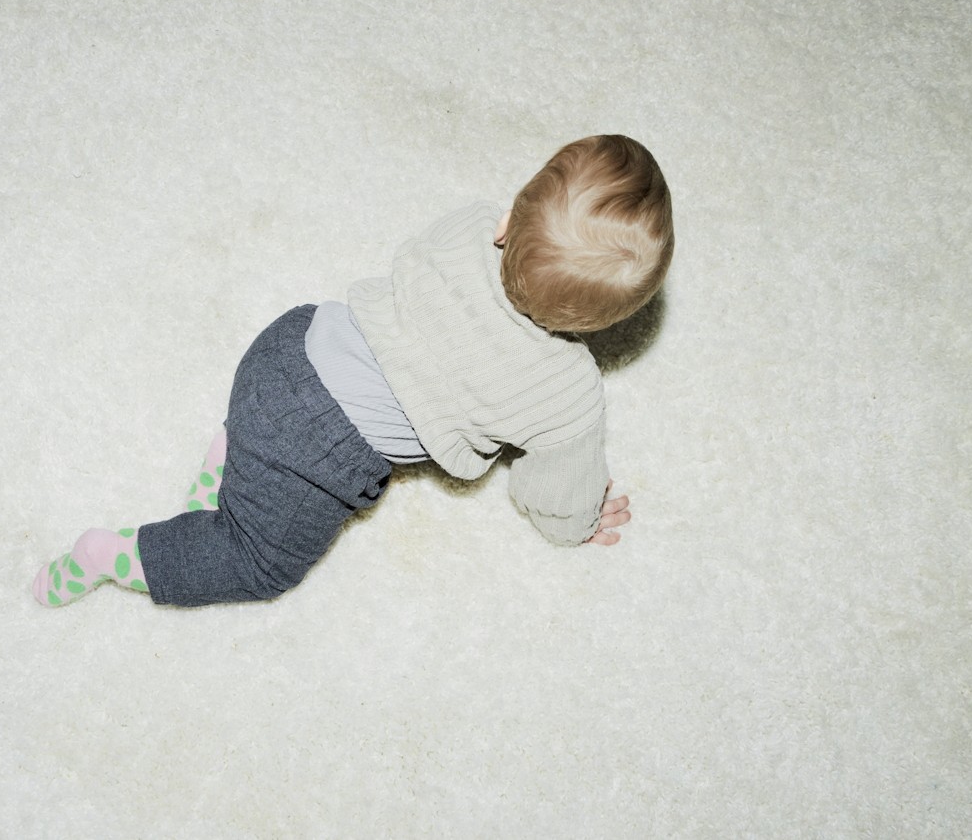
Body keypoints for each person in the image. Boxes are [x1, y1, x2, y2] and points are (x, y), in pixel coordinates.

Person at [33, 135, 674, 608]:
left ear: (510, 219)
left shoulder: (472, 225)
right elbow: (554, 493)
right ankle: (112, 556)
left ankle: (230, 458)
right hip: (316, 447)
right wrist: (580, 521)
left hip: (288, 344)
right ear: (603, 324)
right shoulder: (566, 394)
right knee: (260, 566)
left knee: (254, 465)